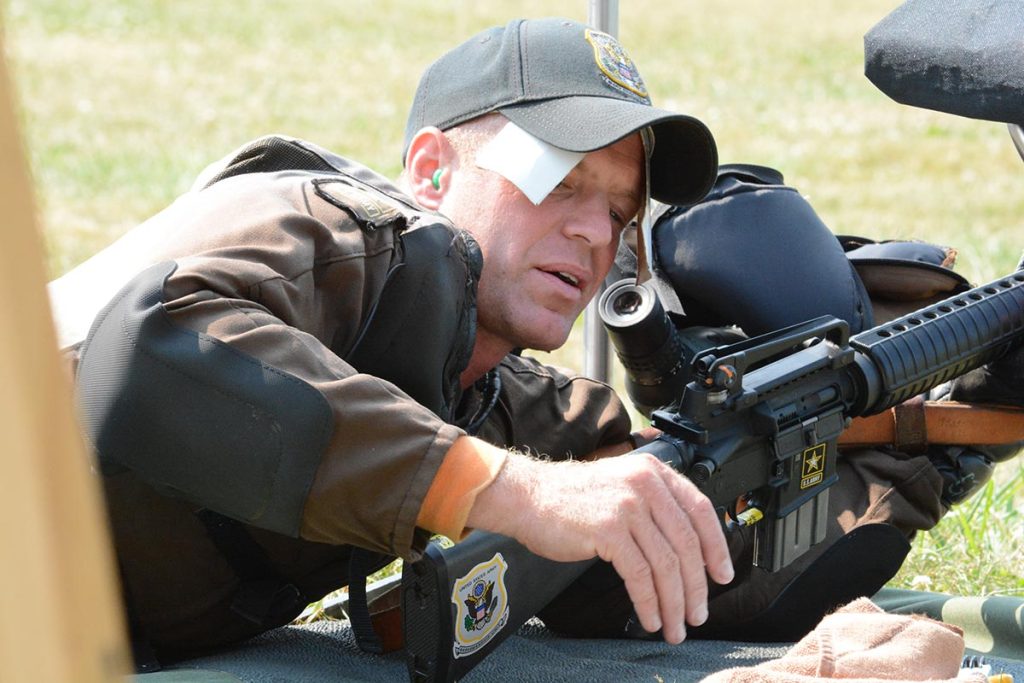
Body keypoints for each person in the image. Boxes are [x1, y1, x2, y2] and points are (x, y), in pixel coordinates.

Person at [50, 15, 1020, 670]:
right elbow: (156, 349)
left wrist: (939, 442)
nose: (596, 233)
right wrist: (513, 490)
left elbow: (680, 566)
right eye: (560, 181)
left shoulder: (497, 392)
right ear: (430, 165)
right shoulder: (336, 228)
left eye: (620, 209)